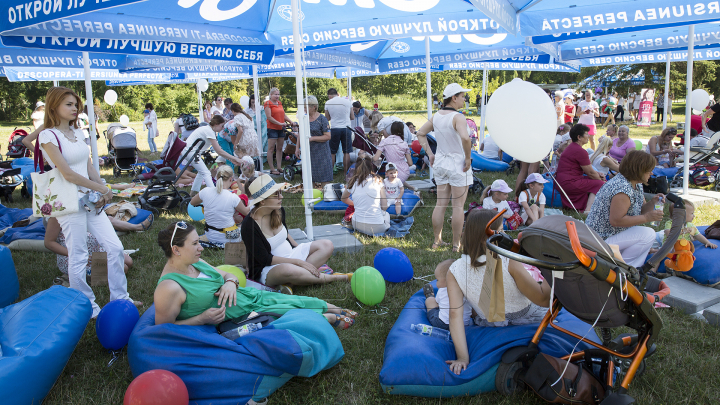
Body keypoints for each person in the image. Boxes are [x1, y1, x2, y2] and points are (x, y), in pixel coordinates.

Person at [37, 86, 139, 317]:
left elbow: (88, 166)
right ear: (54, 106)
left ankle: (121, 299)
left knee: (114, 247)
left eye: (76, 105)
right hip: (68, 201)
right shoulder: (48, 135)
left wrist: (103, 188)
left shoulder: (76, 132)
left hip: (90, 200)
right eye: (69, 105)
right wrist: (101, 187)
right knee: (78, 254)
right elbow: (68, 174)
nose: (75, 109)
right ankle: (88, 305)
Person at [153, 221, 357, 329]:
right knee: (288, 311)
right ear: (176, 250)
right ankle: (328, 318)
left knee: (296, 300)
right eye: (195, 243)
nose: (201, 248)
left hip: (250, 298)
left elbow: (226, 275)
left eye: (199, 242)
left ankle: (337, 308)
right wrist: (201, 319)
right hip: (244, 316)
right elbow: (161, 330)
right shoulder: (169, 288)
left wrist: (231, 283)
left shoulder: (196, 262)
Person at [445, 209, 551, 375]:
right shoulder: (509, 260)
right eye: (501, 231)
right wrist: (554, 269)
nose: (505, 235)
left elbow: (455, 315)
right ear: (487, 237)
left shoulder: (454, 270)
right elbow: (543, 300)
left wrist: (462, 358)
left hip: (490, 322)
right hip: (529, 317)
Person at [241, 175, 348, 290]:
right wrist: (298, 262)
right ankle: (334, 278)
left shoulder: (278, 210)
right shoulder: (249, 225)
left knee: (327, 245)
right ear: (262, 201)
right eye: (276, 194)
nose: (281, 197)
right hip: (268, 268)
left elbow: (285, 234)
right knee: (288, 270)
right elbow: (265, 259)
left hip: (291, 255)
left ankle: (290, 283)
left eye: (280, 192)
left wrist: (300, 248)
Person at [416, 83, 473, 252]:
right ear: (454, 98)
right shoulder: (458, 117)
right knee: (457, 206)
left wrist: (430, 154)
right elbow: (466, 138)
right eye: (463, 96)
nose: (465, 99)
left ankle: (437, 241)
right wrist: (468, 158)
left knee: (440, 204)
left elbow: (420, 133)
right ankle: (456, 244)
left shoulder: (437, 116)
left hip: (440, 163)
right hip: (457, 164)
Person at [586, 150, 664, 267]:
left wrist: (652, 203)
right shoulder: (622, 189)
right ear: (639, 170)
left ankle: (628, 268)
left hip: (611, 235)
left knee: (646, 236)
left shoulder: (635, 184)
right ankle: (625, 269)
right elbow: (616, 220)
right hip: (600, 239)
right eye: (648, 170)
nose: (651, 173)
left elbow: (638, 211)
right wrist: (647, 217)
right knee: (648, 234)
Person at [45, 217, 134, 280]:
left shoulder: (84, 204)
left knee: (129, 261)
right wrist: (77, 255)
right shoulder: (57, 215)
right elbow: (49, 243)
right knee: (123, 268)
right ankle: (80, 277)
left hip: (94, 250)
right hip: (75, 257)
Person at [182, 115, 243, 194]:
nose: (223, 128)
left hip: (190, 152)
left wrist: (232, 159)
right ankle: (214, 194)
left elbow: (220, 151)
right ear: (216, 124)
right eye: (222, 126)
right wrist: (235, 158)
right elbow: (219, 151)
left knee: (201, 172)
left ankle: (193, 193)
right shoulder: (209, 131)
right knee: (206, 173)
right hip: (190, 152)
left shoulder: (208, 129)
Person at [190, 165, 249, 246]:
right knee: (246, 227)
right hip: (229, 238)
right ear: (231, 179)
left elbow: (192, 202)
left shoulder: (205, 191)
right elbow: (246, 212)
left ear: (217, 178)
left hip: (210, 235)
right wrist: (252, 203)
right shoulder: (233, 197)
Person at [555, 124, 605, 213]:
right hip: (569, 183)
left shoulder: (572, 147)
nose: (588, 136)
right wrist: (602, 181)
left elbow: (590, 172)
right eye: (586, 134)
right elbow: (590, 172)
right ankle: (588, 210)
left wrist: (598, 174)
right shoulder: (580, 151)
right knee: (599, 184)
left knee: (596, 180)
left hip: (563, 181)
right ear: (579, 137)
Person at [340, 156, 390, 236]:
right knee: (386, 214)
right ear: (371, 167)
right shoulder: (378, 180)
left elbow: (343, 199)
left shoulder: (352, 181)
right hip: (377, 227)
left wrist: (355, 204)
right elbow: (384, 207)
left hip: (357, 225)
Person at [421, 259, 472, 331]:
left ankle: (429, 294)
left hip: (443, 324)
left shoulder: (442, 290)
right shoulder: (468, 291)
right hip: (464, 325)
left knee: (431, 302)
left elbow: (438, 302)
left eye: (437, 280)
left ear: (448, 280)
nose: (436, 283)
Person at [296, 96, 332, 186]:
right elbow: (300, 133)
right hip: (308, 152)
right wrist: (297, 147)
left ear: (314, 107)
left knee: (324, 177)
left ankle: (326, 196)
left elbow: (328, 136)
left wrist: (312, 138)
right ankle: (311, 197)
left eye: (305, 107)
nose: (304, 109)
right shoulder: (304, 118)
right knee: (309, 176)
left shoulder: (322, 119)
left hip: (322, 152)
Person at [324, 88, 355, 177]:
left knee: (332, 152)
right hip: (346, 128)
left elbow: (327, 118)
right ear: (337, 94)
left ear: (329, 95)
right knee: (346, 151)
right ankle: (346, 173)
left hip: (334, 128)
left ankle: (330, 173)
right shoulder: (348, 101)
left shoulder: (328, 103)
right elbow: (352, 117)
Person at [264, 88, 294, 175]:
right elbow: (269, 117)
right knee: (271, 148)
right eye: (275, 94)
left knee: (280, 148)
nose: (277, 96)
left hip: (281, 128)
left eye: (278, 94)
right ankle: (272, 168)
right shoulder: (267, 103)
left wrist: (290, 121)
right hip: (272, 128)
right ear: (271, 95)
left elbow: (283, 115)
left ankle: (279, 167)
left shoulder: (279, 103)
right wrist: (280, 123)